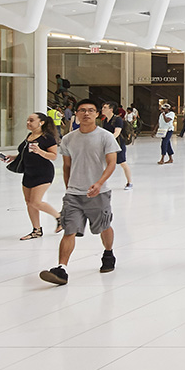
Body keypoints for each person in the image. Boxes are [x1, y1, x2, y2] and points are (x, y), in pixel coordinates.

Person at [39, 99, 119, 284]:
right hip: (74, 194)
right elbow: (66, 167)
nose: (86, 114)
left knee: (104, 227)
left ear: (97, 114)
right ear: (76, 113)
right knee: (69, 229)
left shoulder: (105, 137)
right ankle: (61, 269)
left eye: (91, 110)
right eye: (82, 110)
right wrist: (69, 189)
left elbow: (112, 163)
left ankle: (108, 253)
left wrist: (99, 183)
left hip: (99, 193)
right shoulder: (68, 139)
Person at [0, 112, 60, 239]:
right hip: (29, 173)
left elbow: (53, 156)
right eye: (28, 120)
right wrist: (12, 157)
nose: (28, 122)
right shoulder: (29, 136)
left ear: (41, 122)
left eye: (31, 120)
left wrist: (40, 151)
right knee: (29, 202)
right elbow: (25, 153)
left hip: (43, 173)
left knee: (36, 202)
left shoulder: (47, 138)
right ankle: (36, 230)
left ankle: (60, 217)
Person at [99, 102, 132, 188]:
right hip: (108, 145)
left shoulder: (118, 119)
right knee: (106, 163)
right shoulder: (105, 120)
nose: (103, 109)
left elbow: (117, 132)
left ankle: (130, 182)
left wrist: (109, 139)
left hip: (118, 144)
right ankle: (102, 182)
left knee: (122, 163)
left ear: (111, 109)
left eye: (105, 107)